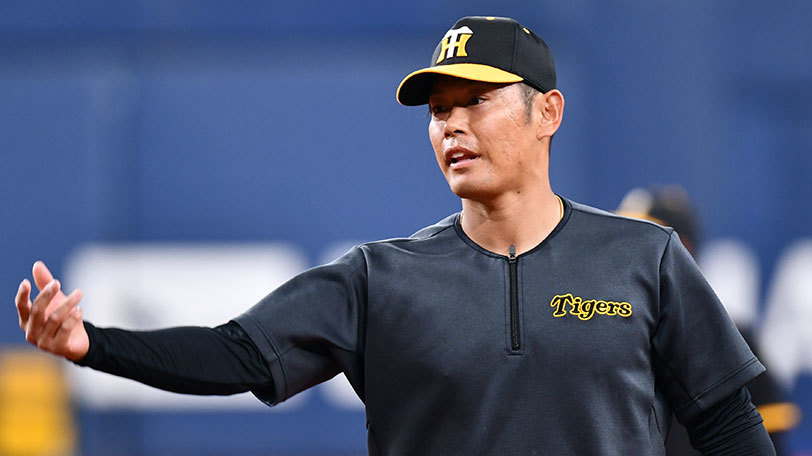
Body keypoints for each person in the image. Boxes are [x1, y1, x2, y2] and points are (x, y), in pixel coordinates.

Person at [15, 16, 775, 455]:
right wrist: (93, 344)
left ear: (548, 112)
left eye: (476, 100)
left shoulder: (643, 259)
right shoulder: (381, 279)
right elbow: (236, 355)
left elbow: (725, 420)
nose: (452, 125)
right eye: (439, 110)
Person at [617, 185, 799, 455]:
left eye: (641, 237)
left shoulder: (732, 338)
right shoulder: (608, 337)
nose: (623, 250)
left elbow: (766, 441)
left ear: (681, 247)